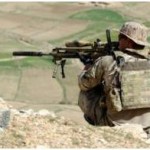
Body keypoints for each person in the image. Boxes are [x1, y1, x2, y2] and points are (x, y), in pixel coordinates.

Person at [78, 21, 150, 137]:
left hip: (114, 123)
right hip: (147, 124)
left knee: (88, 91)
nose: (118, 40)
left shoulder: (108, 62)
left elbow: (84, 84)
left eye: (121, 37)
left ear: (129, 41)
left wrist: (87, 67)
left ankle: (100, 127)